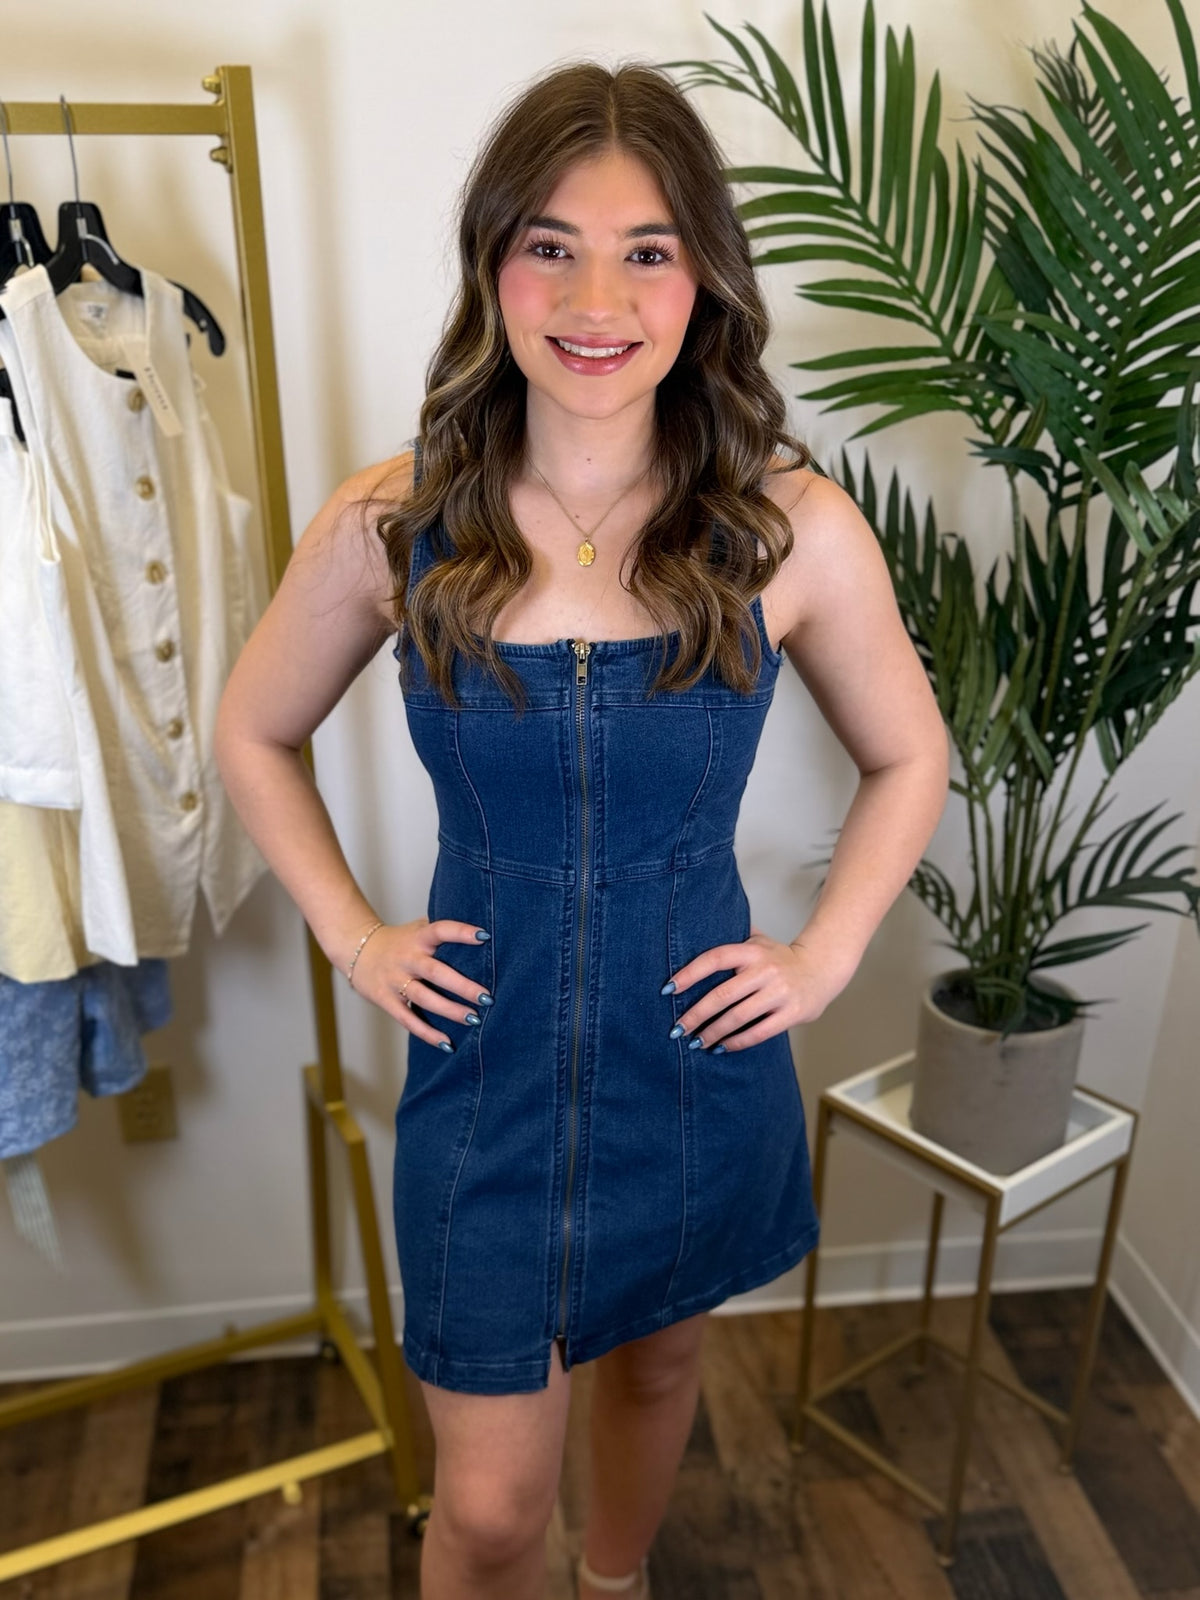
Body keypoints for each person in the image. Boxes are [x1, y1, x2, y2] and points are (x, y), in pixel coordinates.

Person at [215, 57, 949, 1600]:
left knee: (661, 1374)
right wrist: (354, 937)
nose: (596, 293)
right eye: (550, 243)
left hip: (693, 1057)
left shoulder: (787, 526)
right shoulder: (392, 521)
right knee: (484, 1514)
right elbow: (252, 728)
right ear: (494, 266)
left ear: (705, 282)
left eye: (648, 248)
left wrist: (817, 962)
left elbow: (910, 757)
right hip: (483, 1063)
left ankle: (613, 1585)